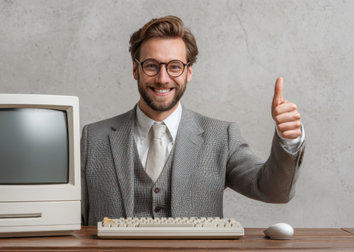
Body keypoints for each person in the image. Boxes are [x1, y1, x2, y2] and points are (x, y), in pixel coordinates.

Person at [80, 16, 305, 226]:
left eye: (174, 66)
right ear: (135, 69)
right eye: (151, 65)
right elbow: (71, 219)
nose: (162, 78)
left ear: (189, 72)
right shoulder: (93, 138)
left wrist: (289, 141)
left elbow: (274, 191)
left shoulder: (221, 137)